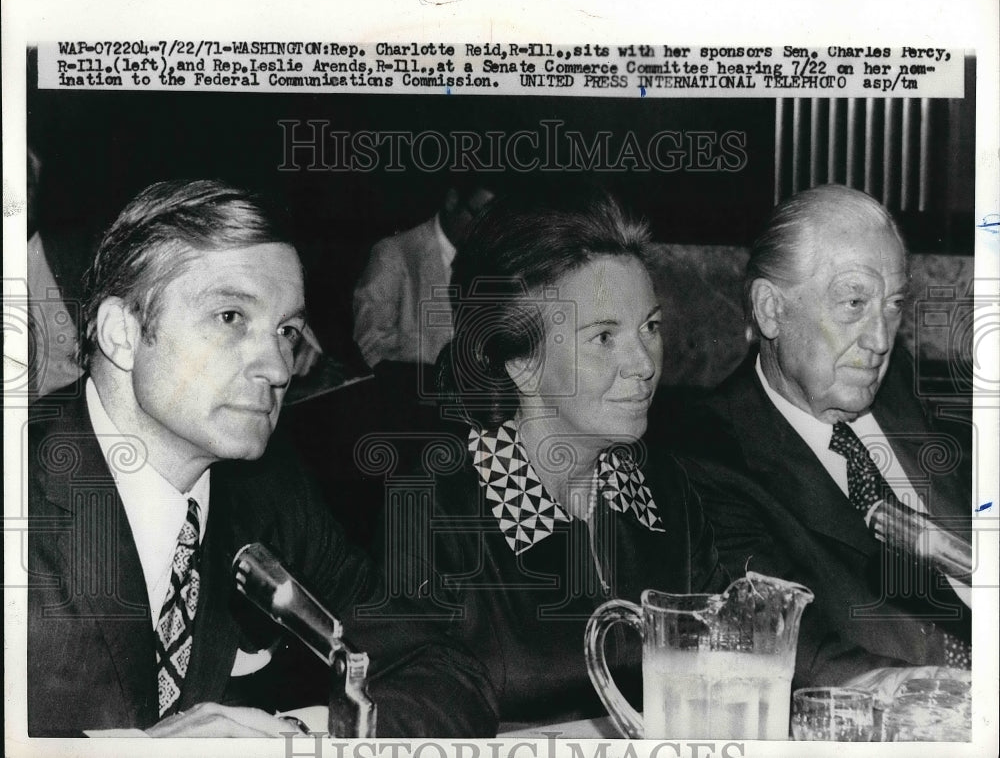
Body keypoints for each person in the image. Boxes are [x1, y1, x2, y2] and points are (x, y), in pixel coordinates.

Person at [27, 180, 498, 737]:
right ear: (121, 333)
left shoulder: (267, 487)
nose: (278, 367)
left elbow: (451, 674)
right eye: (231, 317)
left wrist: (299, 736)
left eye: (288, 331)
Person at [379, 189, 726, 725]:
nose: (643, 363)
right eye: (604, 337)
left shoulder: (668, 493)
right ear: (520, 362)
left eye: (650, 327)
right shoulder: (433, 512)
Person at [674, 184, 972, 689]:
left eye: (893, 304)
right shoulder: (708, 456)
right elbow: (794, 654)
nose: (880, 339)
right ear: (770, 310)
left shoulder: (907, 388)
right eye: (854, 302)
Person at [352, 179, 494, 367]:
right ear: (452, 200)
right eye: (477, 216)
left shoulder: (490, 260)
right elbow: (369, 345)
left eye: (492, 221)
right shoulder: (394, 254)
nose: (485, 229)